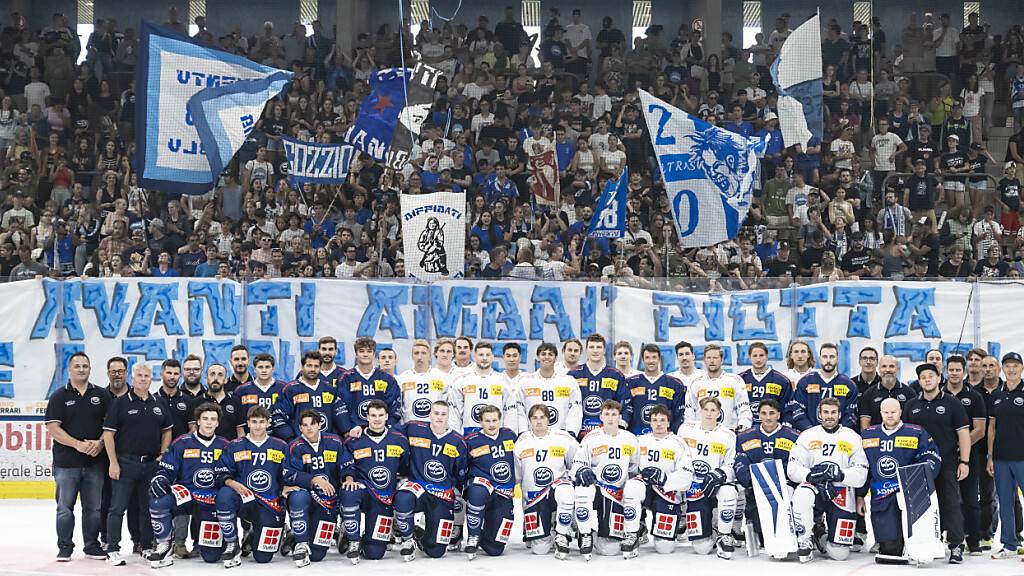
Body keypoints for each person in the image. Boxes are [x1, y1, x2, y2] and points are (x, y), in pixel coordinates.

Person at [101, 362, 173, 565]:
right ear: (132, 378)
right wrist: (113, 462)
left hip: (150, 465)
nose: (143, 378)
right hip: (125, 463)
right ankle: (112, 549)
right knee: (117, 508)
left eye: (147, 376)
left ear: (152, 379)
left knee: (147, 508)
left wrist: (162, 454)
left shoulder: (158, 403)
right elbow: (108, 434)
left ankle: (146, 545)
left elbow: (167, 430)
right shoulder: (121, 403)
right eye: (139, 375)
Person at [44, 351, 111, 561]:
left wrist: (100, 443)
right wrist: (77, 445)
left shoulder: (102, 395)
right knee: (65, 508)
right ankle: (65, 547)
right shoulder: (58, 396)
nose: (82, 369)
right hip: (66, 464)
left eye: (85, 366)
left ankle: (91, 546)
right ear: (69, 369)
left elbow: (111, 427)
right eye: (77, 366)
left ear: (90, 369)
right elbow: (53, 428)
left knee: (94, 509)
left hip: (95, 464)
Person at [146, 402, 230, 568]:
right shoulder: (182, 442)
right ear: (198, 421)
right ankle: (164, 544)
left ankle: (215, 544)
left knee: (211, 557)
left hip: (212, 499)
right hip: (187, 494)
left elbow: (233, 472)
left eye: (213, 419)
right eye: (205, 418)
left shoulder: (225, 445)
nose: (208, 423)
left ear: (218, 423)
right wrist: (161, 478)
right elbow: (167, 469)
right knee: (159, 499)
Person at [859, 398, 941, 564]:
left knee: (919, 543)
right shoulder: (868, 434)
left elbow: (931, 457)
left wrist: (917, 479)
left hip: (911, 494)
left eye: (893, 412)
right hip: (882, 496)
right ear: (880, 413)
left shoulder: (916, 432)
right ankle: (894, 543)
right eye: (886, 412)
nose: (890, 415)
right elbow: (862, 468)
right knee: (891, 550)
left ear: (900, 412)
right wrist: (860, 495)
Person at [903, 362, 971, 563]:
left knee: (950, 503)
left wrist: (964, 461)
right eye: (923, 377)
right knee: (921, 507)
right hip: (918, 467)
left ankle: (957, 544)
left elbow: (964, 434)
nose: (927, 380)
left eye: (931, 376)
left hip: (947, 463)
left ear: (939, 378)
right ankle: (928, 544)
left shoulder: (952, 403)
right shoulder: (911, 406)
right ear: (920, 381)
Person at [787, 398, 869, 562]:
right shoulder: (808, 435)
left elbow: (861, 473)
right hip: (814, 486)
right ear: (820, 414)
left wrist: (841, 475)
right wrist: (809, 476)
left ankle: (819, 533)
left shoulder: (851, 437)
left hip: (841, 490)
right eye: (826, 412)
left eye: (833, 412)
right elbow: (792, 468)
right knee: (801, 495)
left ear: (839, 414)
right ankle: (805, 539)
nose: (829, 416)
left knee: (839, 554)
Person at [214, 405, 289, 567]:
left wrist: (287, 486)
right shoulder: (234, 445)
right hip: (243, 500)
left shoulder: (281, 446)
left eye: (261, 422)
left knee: (263, 558)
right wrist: (231, 482)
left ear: (268, 424)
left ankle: (256, 532)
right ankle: (232, 543)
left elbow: (289, 472)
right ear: (248, 423)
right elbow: (220, 473)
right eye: (254, 422)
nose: (257, 426)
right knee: (225, 494)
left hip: (269, 503)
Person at [393, 401, 467, 560]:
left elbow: (460, 472)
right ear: (429, 414)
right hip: (418, 487)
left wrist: (455, 489)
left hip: (442, 494)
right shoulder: (414, 428)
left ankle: (422, 535)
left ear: (448, 416)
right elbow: (388, 433)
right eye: (436, 413)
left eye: (443, 414)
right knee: (402, 497)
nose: (439, 417)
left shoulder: (457, 441)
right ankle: (408, 539)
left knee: (436, 551)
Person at [339, 400, 410, 562]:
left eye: (380, 415)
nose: (377, 419)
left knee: (374, 553)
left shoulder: (399, 439)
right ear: (367, 417)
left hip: (384, 497)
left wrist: (402, 481)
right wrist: (349, 478)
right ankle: (353, 539)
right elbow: (346, 465)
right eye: (373, 416)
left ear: (387, 416)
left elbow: (406, 465)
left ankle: (369, 538)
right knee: (349, 491)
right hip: (364, 491)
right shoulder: (354, 441)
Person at [571, 399, 643, 559]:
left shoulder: (630, 439)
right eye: (607, 414)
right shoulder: (590, 438)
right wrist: (582, 469)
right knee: (582, 488)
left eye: (614, 414)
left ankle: (615, 532)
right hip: (597, 489)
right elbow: (577, 463)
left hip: (617, 494)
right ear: (601, 417)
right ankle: (584, 533)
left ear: (619, 417)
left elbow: (634, 468)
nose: (610, 418)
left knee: (609, 549)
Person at [283, 409, 353, 567]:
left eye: (312, 424)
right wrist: (314, 479)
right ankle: (300, 541)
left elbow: (347, 464)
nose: (309, 428)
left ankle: (300, 535)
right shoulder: (294, 447)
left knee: (317, 554)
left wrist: (348, 478)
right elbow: (289, 474)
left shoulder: (334, 441)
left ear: (320, 425)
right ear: (300, 428)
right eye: (305, 425)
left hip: (328, 502)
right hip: (306, 498)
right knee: (298, 496)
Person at [734, 399, 800, 551]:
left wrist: (776, 478)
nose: (768, 417)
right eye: (764, 413)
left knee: (790, 496)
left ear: (779, 414)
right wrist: (751, 480)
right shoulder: (745, 436)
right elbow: (740, 462)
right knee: (762, 535)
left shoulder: (794, 436)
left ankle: (792, 534)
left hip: (784, 486)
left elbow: (796, 463)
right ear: (758, 415)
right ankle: (756, 532)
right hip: (755, 486)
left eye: (772, 413)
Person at [514, 404, 579, 558]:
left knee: (565, 492)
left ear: (548, 419)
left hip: (557, 488)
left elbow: (577, 462)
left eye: (542, 417)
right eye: (534, 418)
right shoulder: (521, 442)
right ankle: (547, 527)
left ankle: (563, 531)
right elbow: (516, 475)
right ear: (529, 420)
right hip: (534, 497)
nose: (538, 421)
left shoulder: (563, 438)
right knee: (540, 549)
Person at [676, 397, 738, 559]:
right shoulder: (685, 429)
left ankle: (724, 534)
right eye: (705, 410)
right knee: (701, 548)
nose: (709, 414)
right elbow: (678, 457)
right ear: (699, 411)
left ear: (719, 413)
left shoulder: (728, 435)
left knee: (729, 493)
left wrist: (720, 474)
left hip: (716, 485)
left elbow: (732, 465)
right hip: (694, 489)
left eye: (713, 410)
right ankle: (710, 528)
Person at [633, 404, 695, 555]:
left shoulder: (678, 443)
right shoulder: (639, 441)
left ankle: (676, 519)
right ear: (650, 422)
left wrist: (664, 478)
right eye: (655, 420)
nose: (659, 423)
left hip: (666, 491)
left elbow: (687, 475)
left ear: (668, 422)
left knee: (664, 548)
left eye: (662, 420)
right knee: (631, 489)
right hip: (644, 489)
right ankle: (637, 525)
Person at [943, 355, 987, 554]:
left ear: (964, 372)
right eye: (950, 370)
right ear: (946, 371)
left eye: (957, 370)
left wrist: (961, 445)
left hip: (970, 457)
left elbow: (980, 429)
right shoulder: (938, 394)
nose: (954, 373)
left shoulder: (975, 396)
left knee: (970, 499)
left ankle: (974, 539)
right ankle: (948, 537)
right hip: (944, 458)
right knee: (946, 499)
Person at [462, 404, 517, 559]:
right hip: (482, 486)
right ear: (480, 422)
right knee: (477, 492)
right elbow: (462, 467)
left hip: (503, 492)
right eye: (487, 421)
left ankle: (485, 536)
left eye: (494, 420)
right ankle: (473, 536)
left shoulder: (510, 436)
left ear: (500, 420)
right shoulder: (471, 440)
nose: (491, 424)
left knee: (495, 549)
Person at [987, 352, 1024, 558]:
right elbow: (991, 428)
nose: (1011, 369)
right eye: (1008, 365)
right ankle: (1009, 544)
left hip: (1022, 457)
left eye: (1015, 365)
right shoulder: (996, 395)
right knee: (1005, 502)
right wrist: (990, 456)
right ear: (1002, 368)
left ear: (1022, 368)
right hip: (1001, 458)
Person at [272, 351, 347, 441]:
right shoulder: (290, 389)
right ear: (302, 367)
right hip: (300, 443)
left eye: (316, 366)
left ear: (320, 367)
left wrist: (346, 431)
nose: (312, 369)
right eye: (309, 365)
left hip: (326, 444)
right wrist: (290, 439)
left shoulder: (329, 389)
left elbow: (339, 413)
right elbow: (278, 415)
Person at [448, 341, 518, 434]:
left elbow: (510, 412)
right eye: (481, 355)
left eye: (488, 355)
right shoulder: (462, 381)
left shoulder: (503, 381)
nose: (484, 358)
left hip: (495, 434)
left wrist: (509, 436)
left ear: (492, 357)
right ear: (475, 356)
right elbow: (454, 412)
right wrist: (454, 437)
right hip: (469, 433)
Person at [515, 342, 583, 435]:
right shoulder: (525, 382)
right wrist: (523, 432)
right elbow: (519, 409)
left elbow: (575, 409)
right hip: (533, 435)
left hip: (560, 435)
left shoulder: (568, 381)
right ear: (538, 357)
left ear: (555, 358)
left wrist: (571, 432)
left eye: (550, 354)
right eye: (543, 354)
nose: (546, 357)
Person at [571, 334, 631, 437]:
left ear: (604, 350)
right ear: (586, 350)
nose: (595, 350)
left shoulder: (616, 375)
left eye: (599, 347)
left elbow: (626, 406)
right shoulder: (573, 375)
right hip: (578, 436)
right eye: (591, 347)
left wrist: (618, 428)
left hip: (607, 436)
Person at [789, 343, 860, 431]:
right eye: (825, 357)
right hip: (810, 436)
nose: (828, 360)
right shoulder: (806, 382)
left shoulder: (848, 384)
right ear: (820, 359)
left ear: (837, 359)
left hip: (839, 437)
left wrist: (839, 433)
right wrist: (811, 431)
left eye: (832, 357)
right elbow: (798, 411)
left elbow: (851, 415)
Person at [338, 337, 402, 433]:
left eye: (369, 351)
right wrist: (348, 429)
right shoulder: (346, 378)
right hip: (355, 432)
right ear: (356, 354)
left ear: (374, 353)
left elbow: (395, 407)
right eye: (362, 351)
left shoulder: (386, 379)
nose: (365, 354)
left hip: (381, 431)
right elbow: (341, 407)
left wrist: (385, 427)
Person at [684, 344, 751, 432]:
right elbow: (689, 411)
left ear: (722, 360)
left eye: (715, 358)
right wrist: (690, 431)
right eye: (708, 358)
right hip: (702, 434)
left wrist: (743, 429)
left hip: (729, 432)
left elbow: (743, 408)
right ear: (704, 360)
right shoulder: (696, 382)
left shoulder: (735, 380)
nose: (712, 361)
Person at [625, 344, 686, 434]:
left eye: (654, 357)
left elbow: (678, 415)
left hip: (663, 438)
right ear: (643, 360)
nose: (651, 361)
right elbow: (626, 410)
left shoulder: (674, 384)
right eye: (647, 358)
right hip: (637, 437)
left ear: (659, 359)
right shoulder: (630, 383)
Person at [739, 342, 793, 427]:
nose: (758, 359)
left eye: (761, 355)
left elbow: (787, 407)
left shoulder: (781, 380)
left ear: (767, 356)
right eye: (755, 356)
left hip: (773, 429)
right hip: (747, 429)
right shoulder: (740, 380)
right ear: (749, 357)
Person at [397, 339, 451, 424]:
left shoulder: (442, 378)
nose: (419, 357)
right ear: (412, 356)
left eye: (423, 353)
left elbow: (448, 405)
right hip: (410, 427)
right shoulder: (403, 378)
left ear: (430, 356)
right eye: (416, 353)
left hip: (434, 428)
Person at [858, 355, 916, 429]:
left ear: (898, 369)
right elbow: (865, 425)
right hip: (877, 439)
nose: (888, 370)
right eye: (884, 366)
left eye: (891, 366)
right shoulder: (869, 393)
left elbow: (914, 423)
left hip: (903, 439)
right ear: (879, 369)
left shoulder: (909, 393)